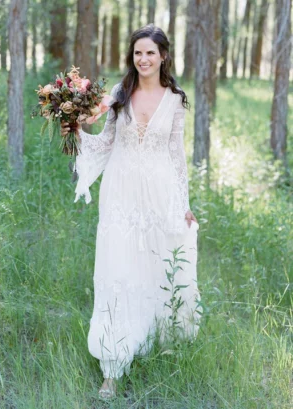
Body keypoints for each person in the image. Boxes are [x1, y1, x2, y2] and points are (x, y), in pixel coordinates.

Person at [61, 24, 202, 400]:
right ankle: (112, 367)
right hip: (120, 193)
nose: (143, 59)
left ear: (163, 56)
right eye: (138, 53)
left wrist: (184, 204)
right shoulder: (119, 94)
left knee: (153, 268)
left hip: (158, 195)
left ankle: (150, 345)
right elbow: (106, 141)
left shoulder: (175, 99)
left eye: (150, 53)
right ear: (132, 56)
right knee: (118, 271)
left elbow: (177, 156)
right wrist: (76, 130)